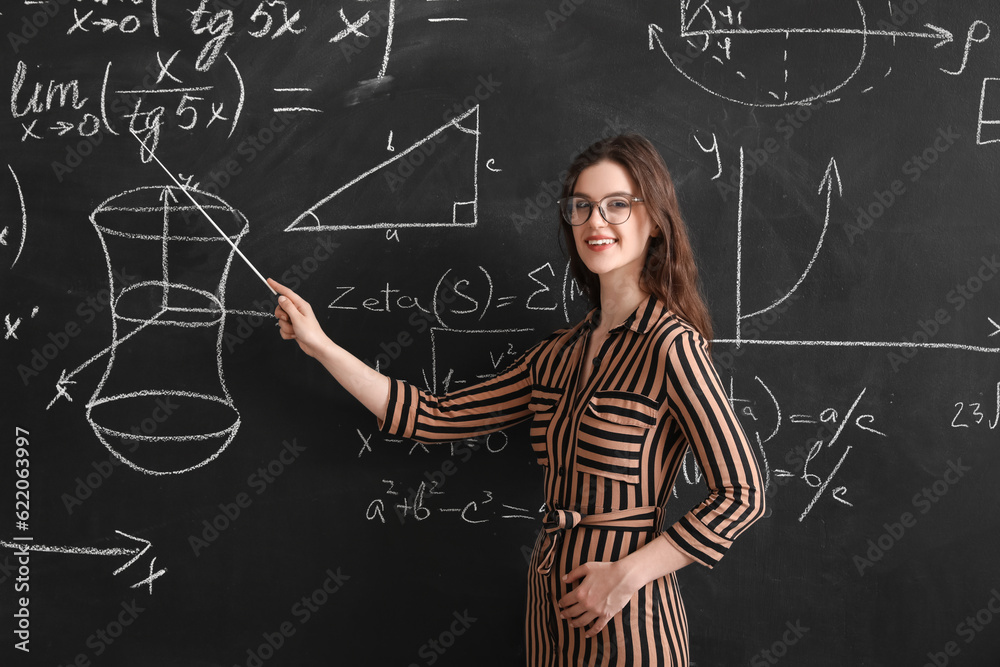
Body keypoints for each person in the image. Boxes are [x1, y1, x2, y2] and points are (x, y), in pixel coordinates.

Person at [269, 134, 765, 666]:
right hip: (547, 606)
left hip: (628, 619)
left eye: (618, 204)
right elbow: (434, 417)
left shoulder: (671, 344)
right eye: (582, 207)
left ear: (655, 219)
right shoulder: (555, 356)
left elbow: (742, 493)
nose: (596, 222)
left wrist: (625, 575)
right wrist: (319, 346)